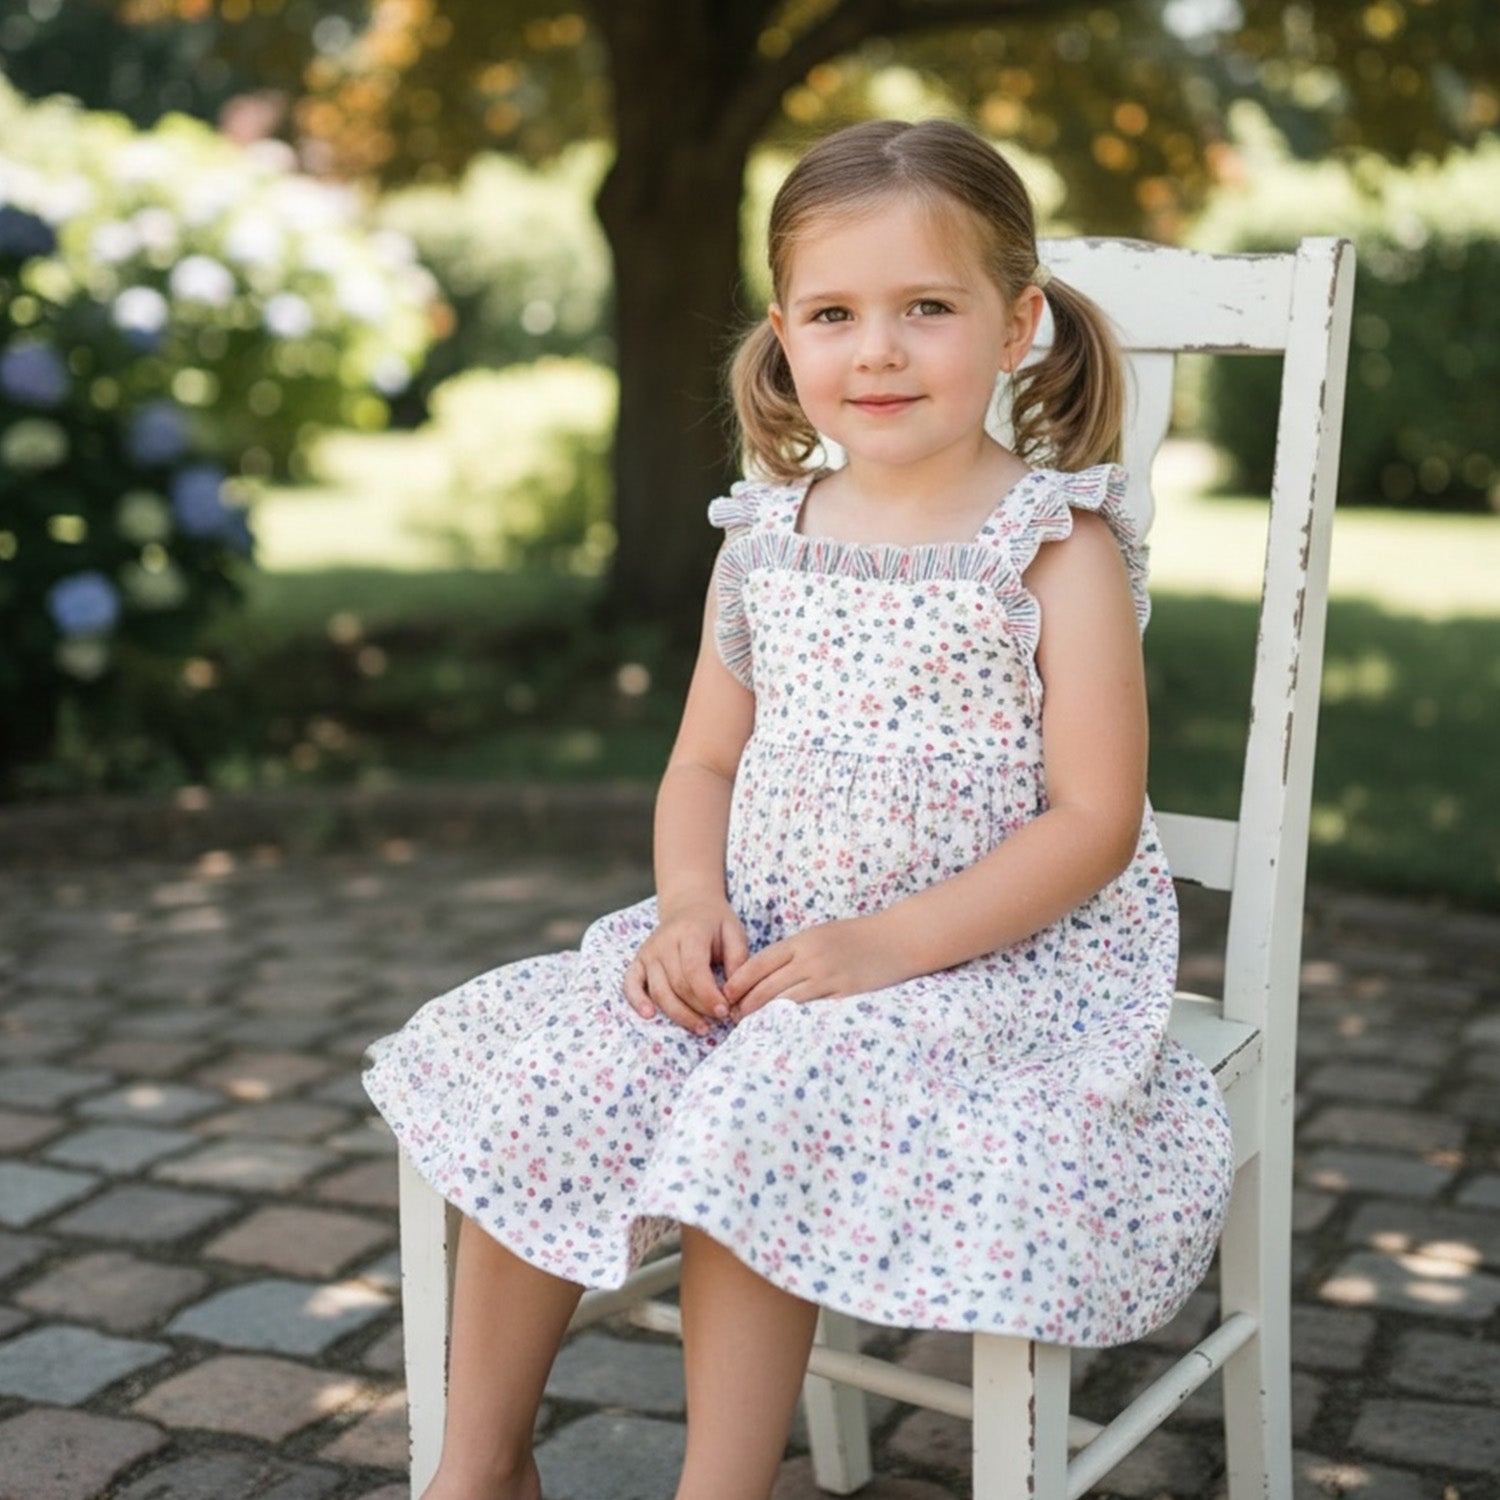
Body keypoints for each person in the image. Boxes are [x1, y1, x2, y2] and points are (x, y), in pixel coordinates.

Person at [364, 116, 1234, 1500]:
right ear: (784, 333)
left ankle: (724, 1487)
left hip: (987, 962)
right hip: (761, 936)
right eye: (834, 313)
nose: (876, 351)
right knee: (557, 1073)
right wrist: (694, 909)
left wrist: (884, 948)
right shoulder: (766, 536)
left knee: (766, 1099)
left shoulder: (1052, 547)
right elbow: (702, 765)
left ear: (1017, 325)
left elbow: (1094, 821)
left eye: (925, 310)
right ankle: (476, 1472)